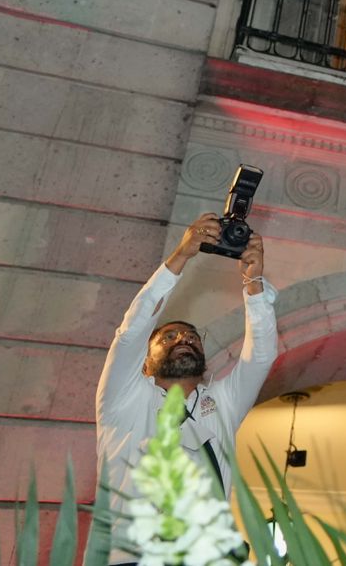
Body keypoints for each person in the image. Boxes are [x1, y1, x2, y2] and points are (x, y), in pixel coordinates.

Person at [93, 213, 276, 565]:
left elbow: (261, 357)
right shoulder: (124, 399)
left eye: (192, 337)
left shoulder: (221, 405)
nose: (184, 340)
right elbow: (131, 333)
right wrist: (179, 258)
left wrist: (253, 283)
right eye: (169, 337)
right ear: (146, 362)